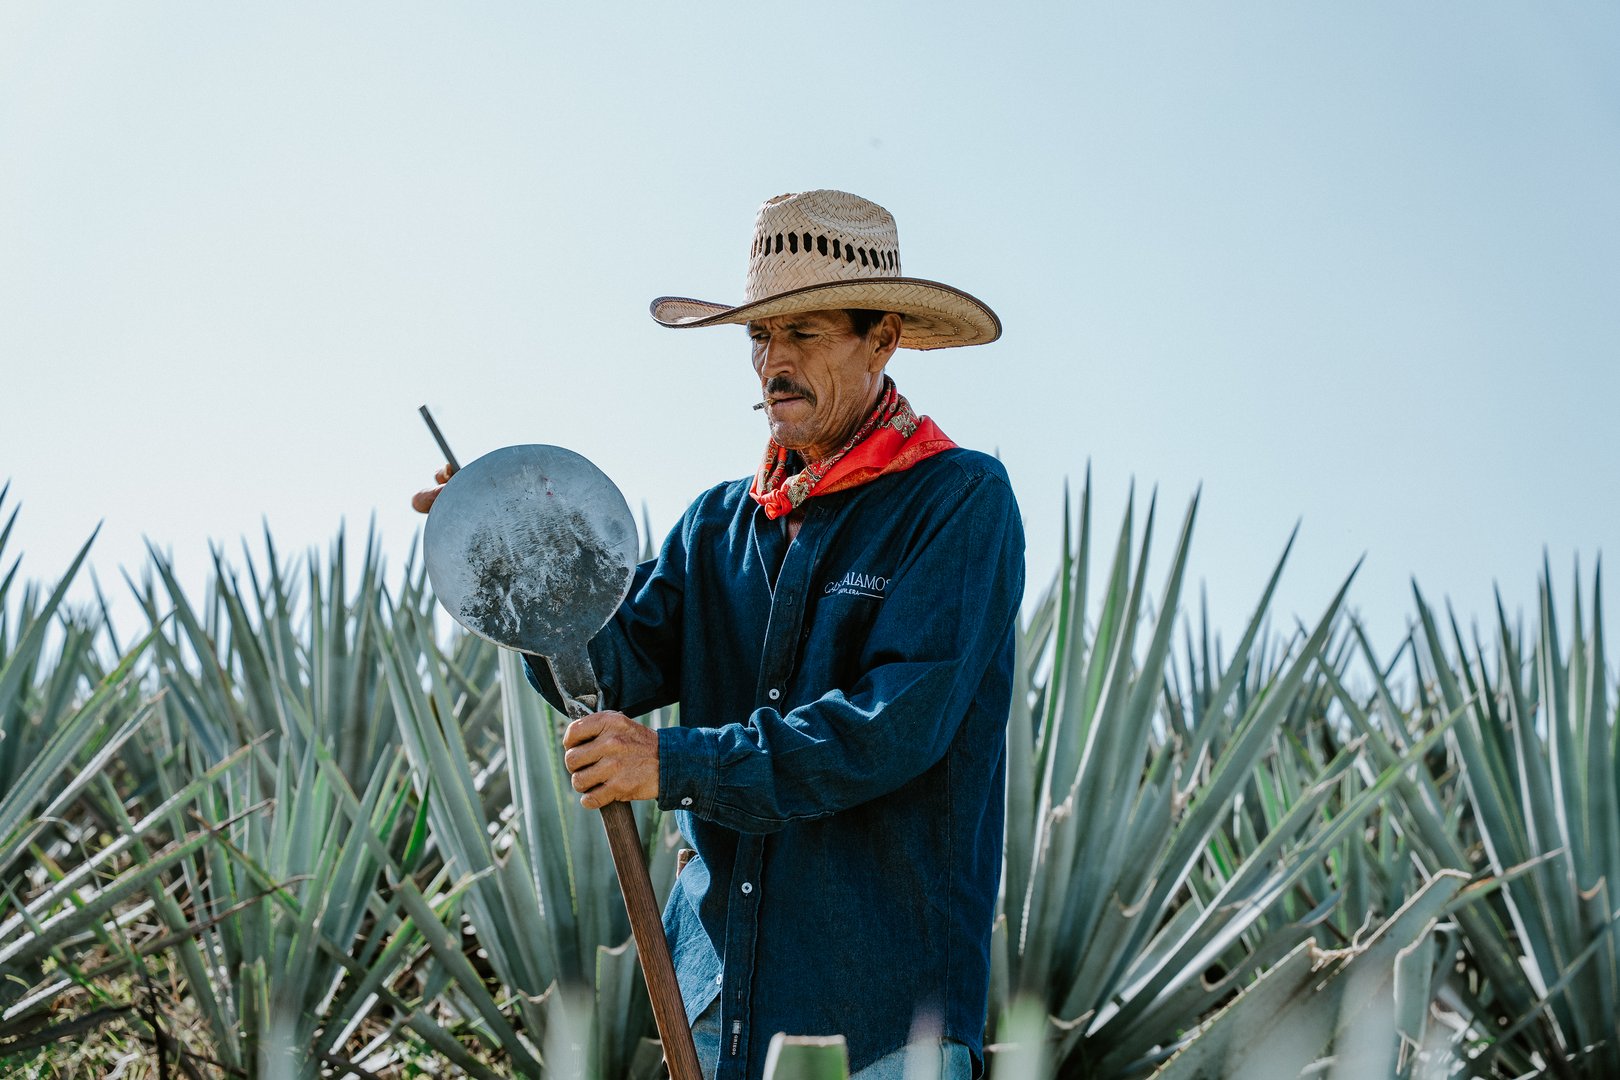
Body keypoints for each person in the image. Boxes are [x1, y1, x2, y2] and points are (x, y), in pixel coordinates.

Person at [414, 190, 1024, 1080]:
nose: (774, 361)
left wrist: (674, 765)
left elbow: (892, 727)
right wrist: (510, 555)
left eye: (804, 332)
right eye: (760, 337)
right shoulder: (717, 526)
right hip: (711, 1008)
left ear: (883, 339)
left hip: (881, 1024)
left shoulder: (957, 502)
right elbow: (606, 664)